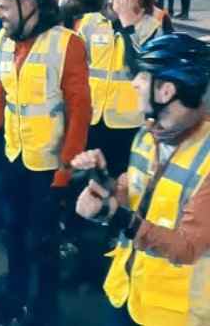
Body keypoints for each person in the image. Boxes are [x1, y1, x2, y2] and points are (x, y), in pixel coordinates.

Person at [0, 0, 92, 323]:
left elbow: (79, 111)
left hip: (49, 167)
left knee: (43, 245)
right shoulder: (7, 42)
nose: (0, 14)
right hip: (13, 157)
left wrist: (65, 170)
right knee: (14, 233)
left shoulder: (66, 43)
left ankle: (42, 311)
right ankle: (14, 296)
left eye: (5, 7)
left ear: (30, 5)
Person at [72, 33, 210, 326]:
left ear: (166, 91)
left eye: (143, 77)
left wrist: (120, 218)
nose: (133, 83)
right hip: (129, 290)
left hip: (174, 314)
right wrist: (105, 186)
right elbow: (133, 191)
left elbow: (188, 247)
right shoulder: (148, 134)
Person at [77, 0, 173, 174]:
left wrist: (128, 25)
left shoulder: (151, 27)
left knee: (121, 179)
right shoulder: (91, 22)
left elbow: (140, 69)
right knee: (90, 177)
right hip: (93, 116)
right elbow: (78, 67)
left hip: (129, 120)